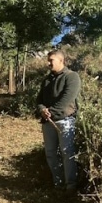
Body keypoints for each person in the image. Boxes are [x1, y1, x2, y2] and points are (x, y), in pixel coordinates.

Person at [35, 49, 81, 194]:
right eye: (48, 60)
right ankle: (58, 184)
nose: (48, 63)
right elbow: (39, 100)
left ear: (62, 61)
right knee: (50, 153)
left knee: (67, 153)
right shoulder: (47, 80)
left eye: (51, 60)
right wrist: (42, 109)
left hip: (65, 121)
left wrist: (50, 112)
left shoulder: (72, 77)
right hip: (48, 121)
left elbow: (67, 99)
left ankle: (70, 186)